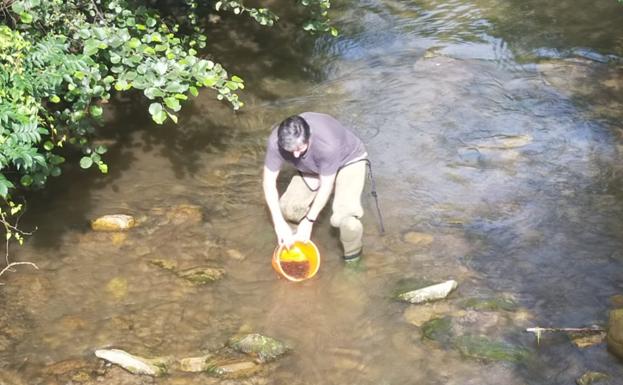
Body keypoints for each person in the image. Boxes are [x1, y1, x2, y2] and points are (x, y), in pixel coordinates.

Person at [262, 112, 368, 261]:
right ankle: (294, 248)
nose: (296, 155)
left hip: (348, 161)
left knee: (347, 222)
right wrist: (278, 223)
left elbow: (326, 186)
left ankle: (353, 261)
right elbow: (268, 183)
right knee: (288, 209)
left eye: (300, 148)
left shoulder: (327, 144)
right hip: (313, 167)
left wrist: (309, 221)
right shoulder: (276, 142)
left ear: (309, 137)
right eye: (290, 150)